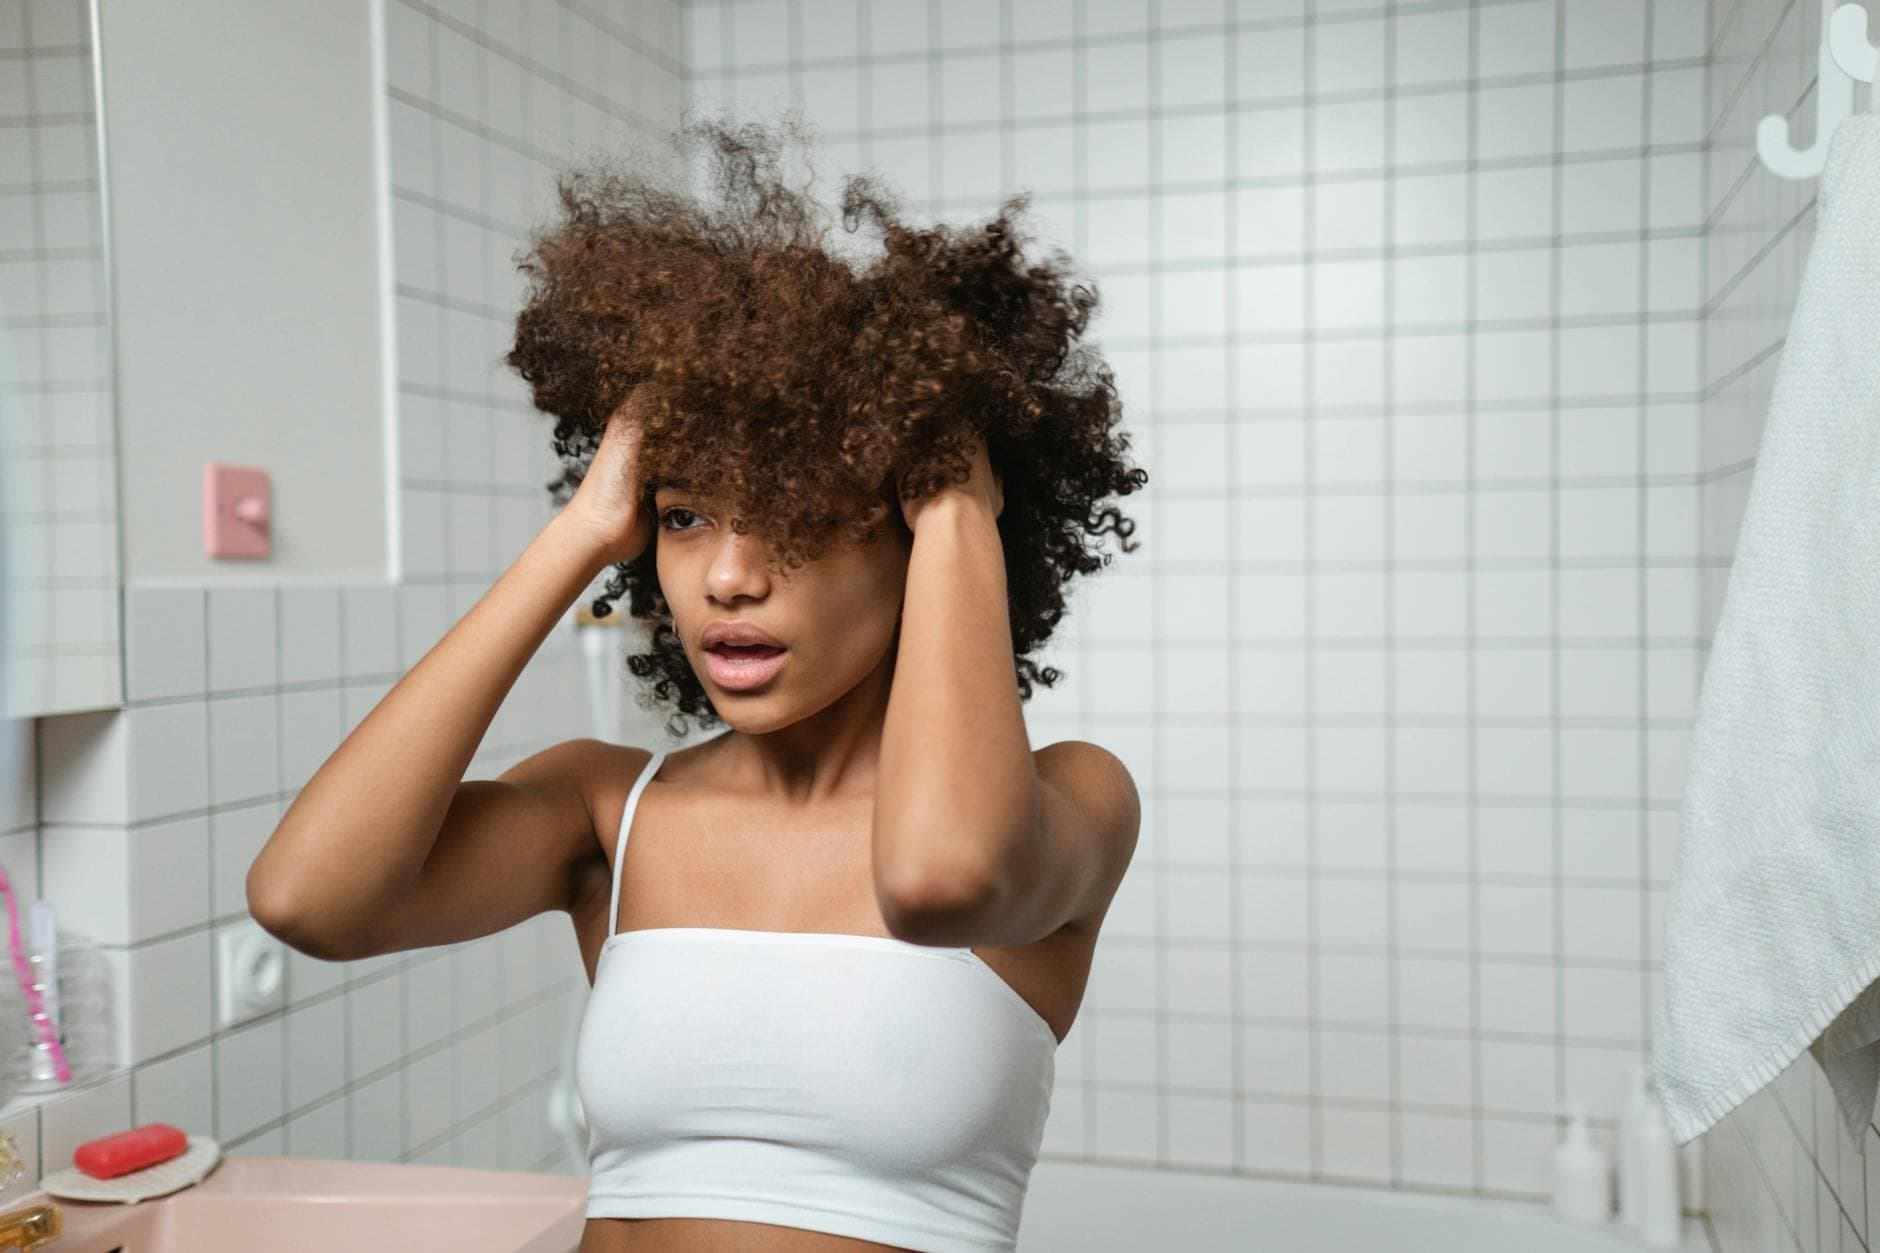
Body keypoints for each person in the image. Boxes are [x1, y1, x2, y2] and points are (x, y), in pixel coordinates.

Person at [248, 110, 1149, 1253]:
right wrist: (581, 528)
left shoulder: (1066, 801)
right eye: (683, 515)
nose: (726, 573)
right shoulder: (607, 810)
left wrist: (962, 506)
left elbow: (936, 878)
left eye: (800, 517)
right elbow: (307, 900)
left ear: (911, 538)